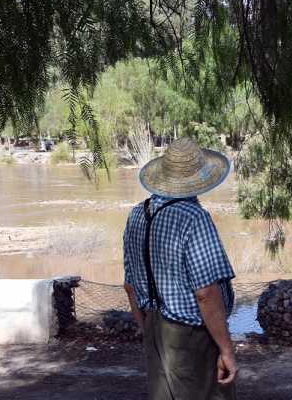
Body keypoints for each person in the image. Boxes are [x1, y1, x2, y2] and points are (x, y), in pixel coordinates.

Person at [123, 137, 238, 400]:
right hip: (192, 336)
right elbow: (206, 293)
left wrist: (147, 329)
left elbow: (129, 286)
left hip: (154, 325)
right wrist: (226, 350)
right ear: (199, 177)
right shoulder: (194, 218)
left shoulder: (137, 214)